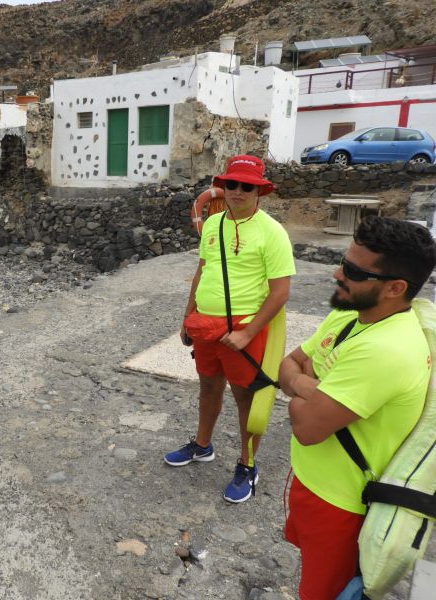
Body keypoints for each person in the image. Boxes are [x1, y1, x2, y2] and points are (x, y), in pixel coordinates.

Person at [279, 216, 435, 600]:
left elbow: (308, 428)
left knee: (323, 592)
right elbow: (288, 364)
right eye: (343, 261)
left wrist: (302, 383)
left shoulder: (386, 350)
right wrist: (307, 384)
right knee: (311, 576)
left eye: (352, 270)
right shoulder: (350, 313)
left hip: (343, 505)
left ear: (395, 288)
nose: (336, 273)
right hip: (313, 482)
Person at [164, 155, 295, 503]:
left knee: (245, 399)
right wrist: (186, 317)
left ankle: (247, 465)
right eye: (232, 184)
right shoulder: (213, 224)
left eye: (246, 186)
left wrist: (248, 334)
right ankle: (203, 445)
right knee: (208, 387)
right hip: (205, 326)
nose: (237, 191)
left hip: (242, 329)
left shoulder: (272, 232)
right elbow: (202, 272)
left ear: (259, 191)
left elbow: (281, 292)